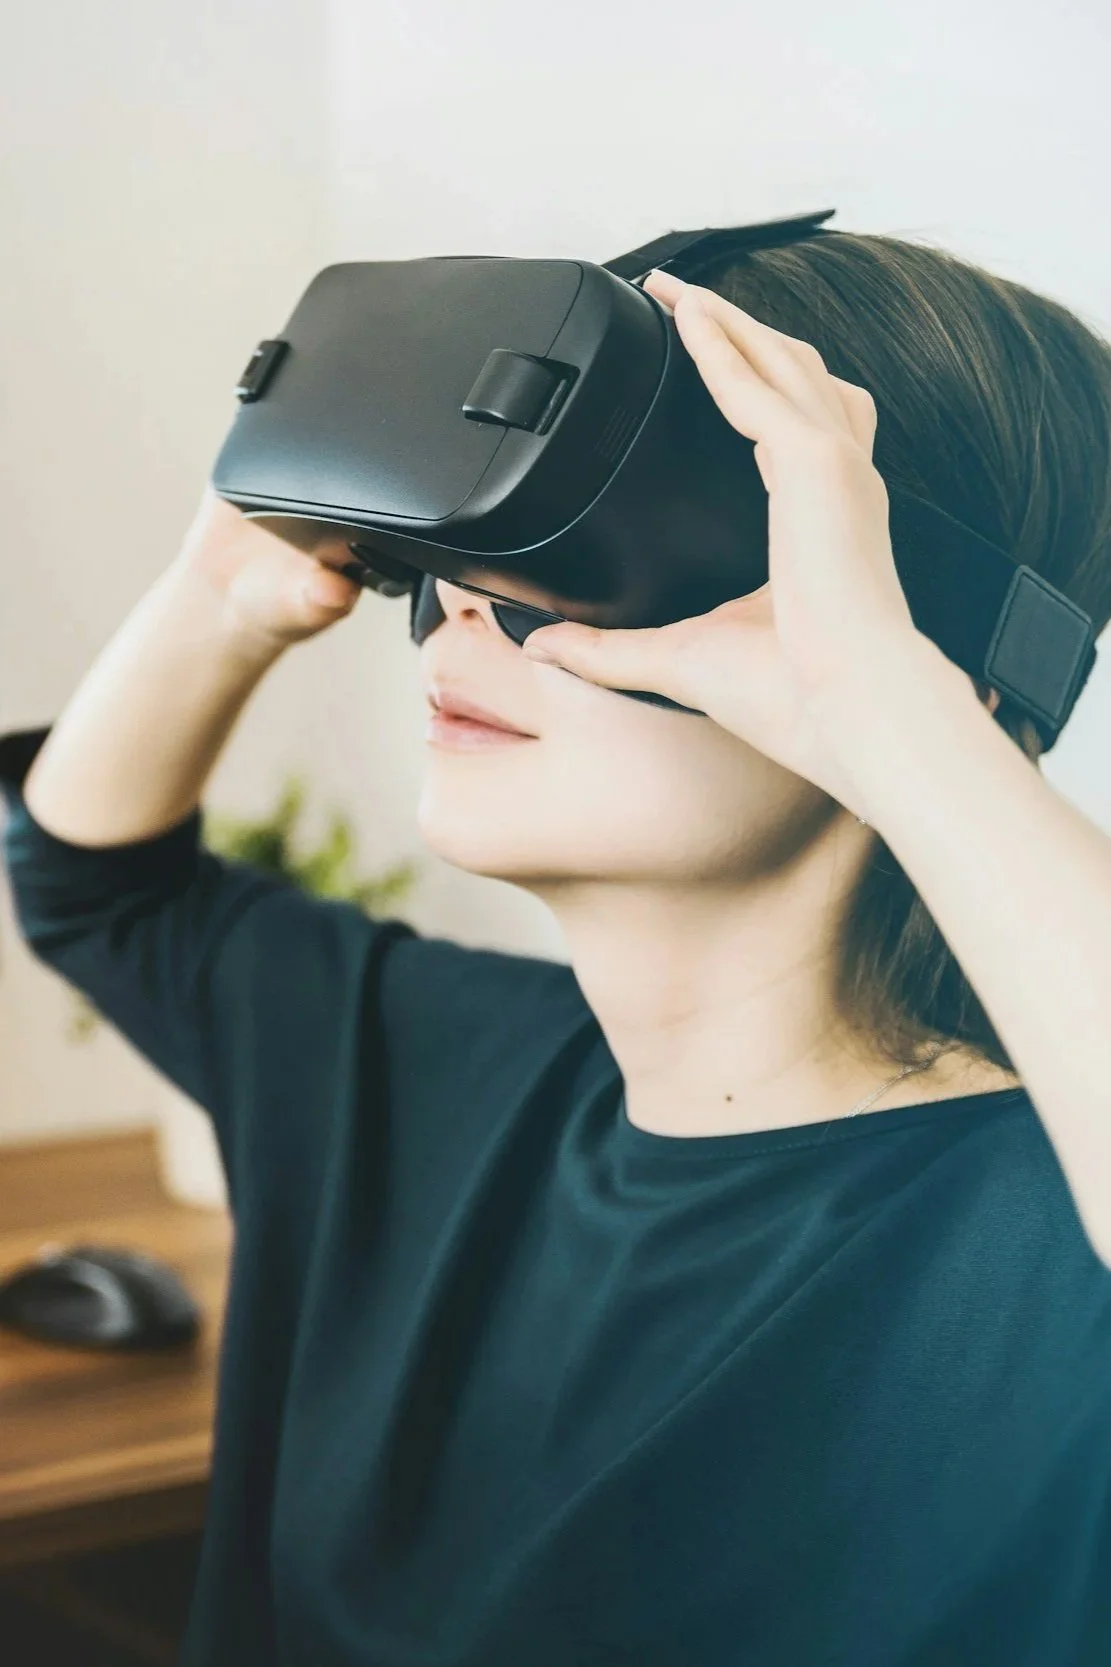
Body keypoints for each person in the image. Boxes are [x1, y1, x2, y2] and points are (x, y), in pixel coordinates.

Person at [2, 228, 1110, 1666]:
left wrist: (890, 707)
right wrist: (223, 588)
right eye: (470, 548)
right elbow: (96, 885)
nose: (466, 600)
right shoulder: (418, 1070)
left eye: (585, 548)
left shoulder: (1035, 1260)